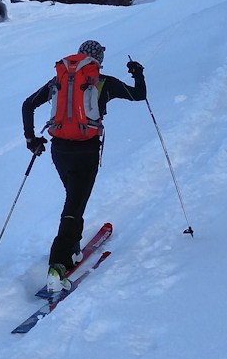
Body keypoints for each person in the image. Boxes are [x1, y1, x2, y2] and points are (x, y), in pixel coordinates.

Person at [21, 40, 145, 294]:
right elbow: (139, 95)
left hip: (59, 150)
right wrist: (138, 72)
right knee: (74, 204)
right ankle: (58, 263)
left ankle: (73, 246)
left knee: (73, 197)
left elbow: (27, 104)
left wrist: (31, 139)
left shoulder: (59, 80)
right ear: (98, 59)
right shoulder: (103, 82)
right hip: (86, 151)